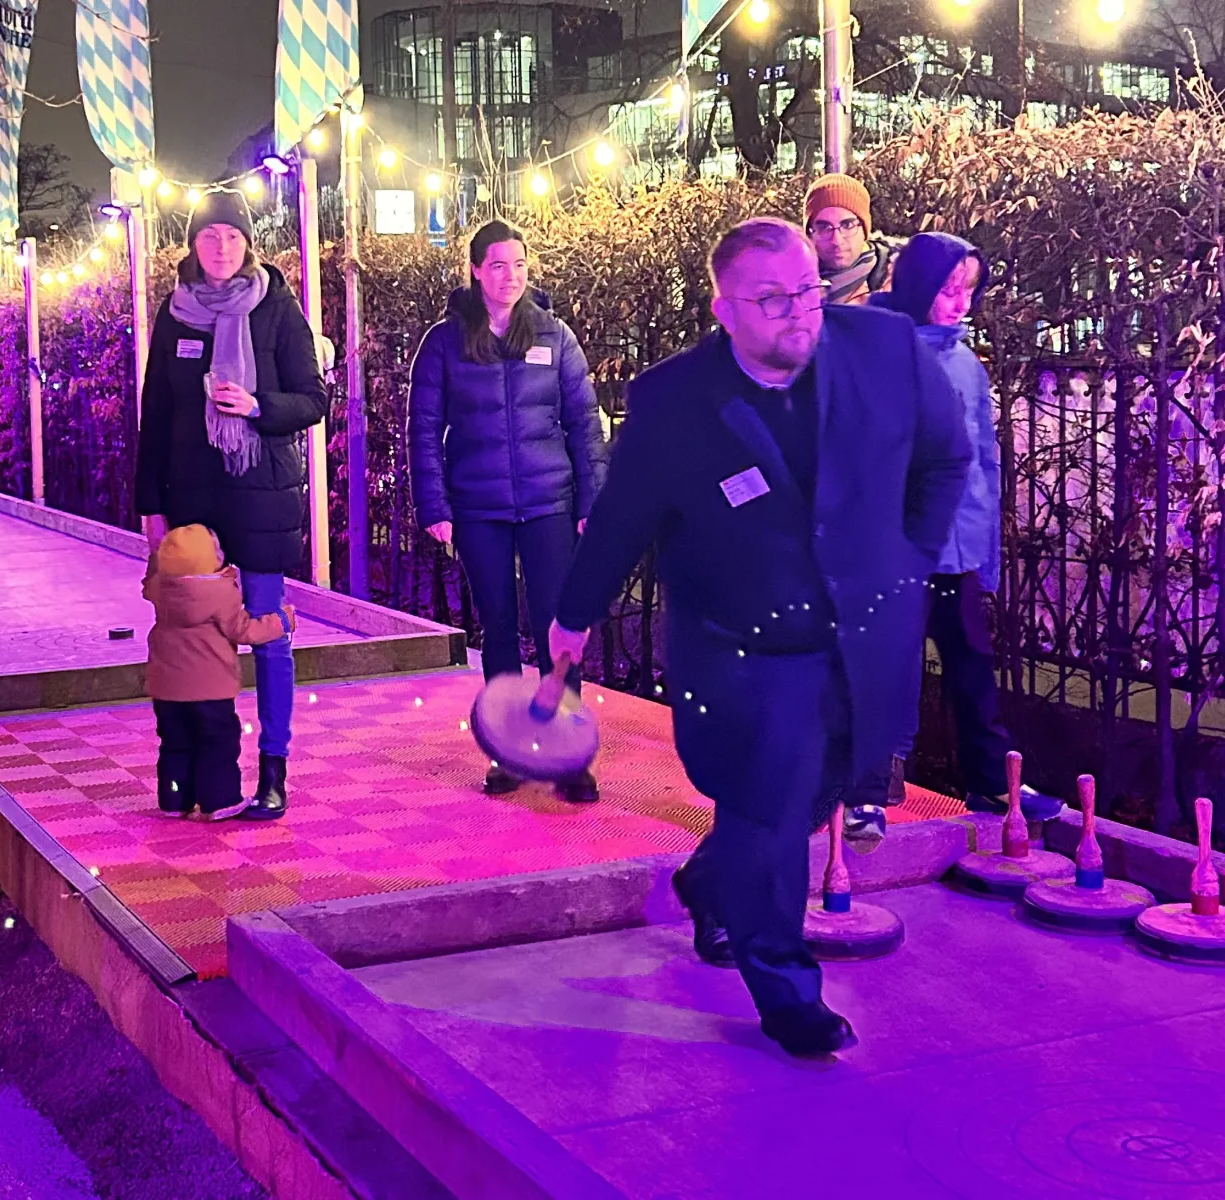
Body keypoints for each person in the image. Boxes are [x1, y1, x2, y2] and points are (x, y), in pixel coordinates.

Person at [549, 218, 969, 1057]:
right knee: (773, 804)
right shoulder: (677, 400)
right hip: (741, 645)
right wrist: (573, 614)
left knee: (823, 788)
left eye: (807, 289)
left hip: (859, 633)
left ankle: (712, 882)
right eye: (772, 300)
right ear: (724, 309)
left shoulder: (883, 350)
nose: (798, 311)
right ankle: (786, 992)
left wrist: (907, 559)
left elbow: (945, 459)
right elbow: (624, 516)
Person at [135, 188, 328, 821]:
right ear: (193, 244)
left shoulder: (277, 308)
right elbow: (155, 413)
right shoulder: (175, 313)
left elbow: (313, 398)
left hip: (261, 498)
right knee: (190, 639)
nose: (221, 247)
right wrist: (151, 504)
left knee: (268, 636)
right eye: (210, 235)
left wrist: (255, 406)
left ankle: (274, 771)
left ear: (249, 245)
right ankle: (200, 775)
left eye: (234, 237)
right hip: (193, 503)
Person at [406, 219, 608, 801]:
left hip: (549, 503)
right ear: (475, 270)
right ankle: (506, 750)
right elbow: (424, 429)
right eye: (497, 265)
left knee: (557, 624)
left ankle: (568, 750)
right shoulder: (444, 342)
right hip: (478, 506)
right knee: (496, 623)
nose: (510, 276)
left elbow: (583, 423)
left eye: (519, 264)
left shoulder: (554, 335)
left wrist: (592, 500)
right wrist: (434, 504)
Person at [869, 232, 1061, 822]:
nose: (961, 304)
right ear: (918, 285)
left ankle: (991, 780)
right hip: (903, 547)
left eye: (969, 291)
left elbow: (984, 461)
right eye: (948, 289)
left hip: (956, 550)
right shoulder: (880, 353)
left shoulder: (965, 363)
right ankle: (868, 788)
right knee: (888, 664)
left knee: (973, 661)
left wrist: (986, 548)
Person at [144, 523, 295, 820]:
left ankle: (175, 801)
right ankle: (219, 801)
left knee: (175, 745)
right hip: (211, 692)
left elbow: (150, 577)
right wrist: (281, 621)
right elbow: (244, 630)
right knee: (217, 744)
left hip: (166, 692)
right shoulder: (219, 592)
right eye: (216, 550)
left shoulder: (160, 589)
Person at [803, 174, 897, 306]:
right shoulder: (791, 288)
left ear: (864, 230)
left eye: (847, 225)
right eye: (824, 228)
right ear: (810, 233)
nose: (836, 240)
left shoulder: (899, 279)